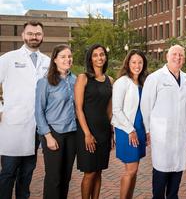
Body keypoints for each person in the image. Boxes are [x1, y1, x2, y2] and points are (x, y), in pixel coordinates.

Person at [0, 21, 50, 199]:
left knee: (27, 173)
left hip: (36, 128)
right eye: (30, 33)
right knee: (8, 172)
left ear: (42, 36)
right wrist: (1, 109)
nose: (34, 37)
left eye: (37, 34)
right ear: (23, 35)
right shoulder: (8, 58)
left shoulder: (48, 62)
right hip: (13, 125)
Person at [141, 44, 186, 199]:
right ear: (167, 57)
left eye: (181, 55)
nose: (177, 57)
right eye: (174, 54)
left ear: (184, 59)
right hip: (161, 134)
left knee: (177, 170)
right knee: (161, 171)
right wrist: (147, 130)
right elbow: (146, 106)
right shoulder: (155, 78)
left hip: (180, 133)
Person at [35, 44, 77, 199]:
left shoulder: (76, 80)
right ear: (55, 59)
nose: (68, 59)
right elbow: (38, 112)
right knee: (54, 178)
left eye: (69, 56)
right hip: (54, 134)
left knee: (66, 177)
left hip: (72, 134)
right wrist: (48, 136)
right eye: (63, 56)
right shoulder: (45, 82)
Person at [74, 44, 113, 199]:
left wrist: (111, 133)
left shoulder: (110, 80)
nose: (99, 57)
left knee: (98, 171)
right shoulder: (83, 78)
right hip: (87, 131)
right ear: (90, 58)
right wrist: (87, 134)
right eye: (95, 55)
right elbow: (78, 108)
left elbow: (109, 111)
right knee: (89, 172)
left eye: (102, 54)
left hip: (103, 131)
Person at [112, 49, 148, 198]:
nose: (137, 65)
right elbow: (116, 110)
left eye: (140, 62)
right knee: (130, 170)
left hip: (139, 129)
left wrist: (146, 131)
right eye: (134, 62)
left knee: (135, 170)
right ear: (128, 63)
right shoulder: (122, 82)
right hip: (127, 130)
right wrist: (130, 130)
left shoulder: (141, 82)